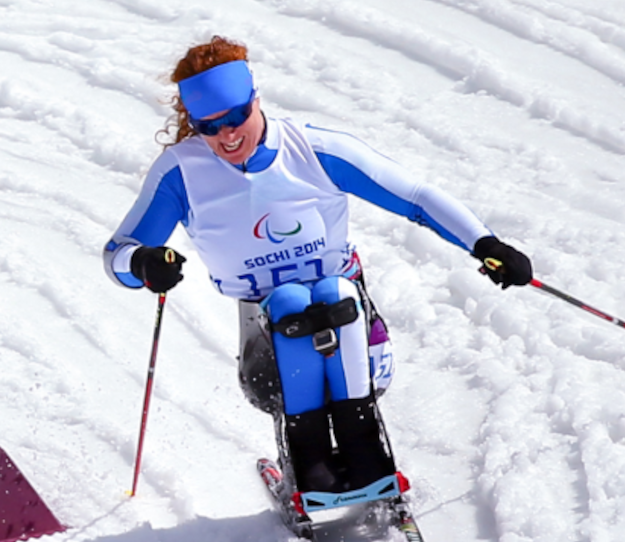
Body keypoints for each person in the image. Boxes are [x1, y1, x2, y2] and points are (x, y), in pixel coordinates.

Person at [104, 36, 532, 498]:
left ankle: (366, 453)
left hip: (356, 329)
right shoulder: (181, 173)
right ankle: (310, 463)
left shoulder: (312, 149)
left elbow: (414, 196)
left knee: (334, 296)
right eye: (209, 126)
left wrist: (484, 243)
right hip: (265, 349)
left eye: (236, 118)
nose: (227, 136)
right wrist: (145, 262)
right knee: (289, 304)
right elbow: (117, 255)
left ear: (256, 101)